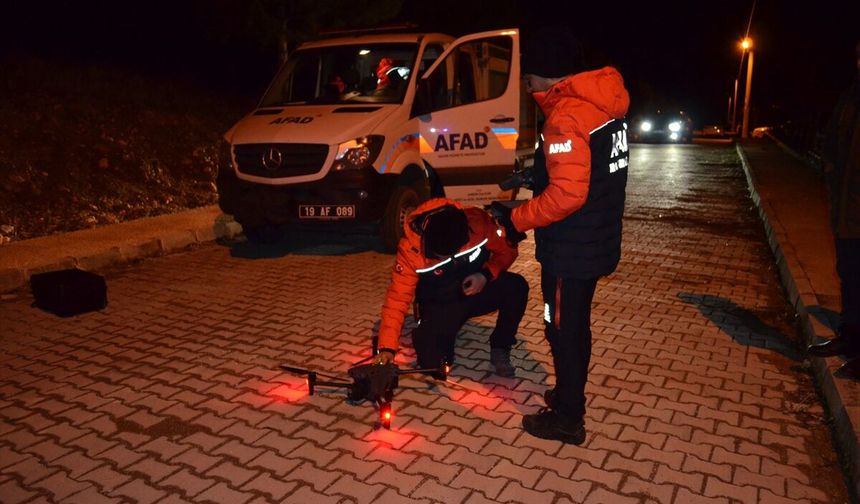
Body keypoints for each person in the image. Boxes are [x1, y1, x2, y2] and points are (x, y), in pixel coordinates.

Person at [492, 26, 630, 445]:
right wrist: (535, 173)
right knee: (573, 324)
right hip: (595, 238)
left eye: (529, 77)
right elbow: (589, 171)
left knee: (562, 328)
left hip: (571, 248)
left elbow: (568, 194)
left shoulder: (566, 115)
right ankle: (568, 393)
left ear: (546, 76)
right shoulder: (603, 107)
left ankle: (569, 418)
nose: (526, 84)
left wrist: (518, 219)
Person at [372, 198, 529, 378]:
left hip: (474, 290)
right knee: (434, 367)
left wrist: (485, 275)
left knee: (516, 286)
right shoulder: (410, 250)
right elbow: (397, 300)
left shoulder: (477, 222)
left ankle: (501, 346)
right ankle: (433, 335)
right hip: (439, 303)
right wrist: (387, 348)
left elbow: (507, 251)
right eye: (442, 256)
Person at [807, 40, 860, 378]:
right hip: (847, 206)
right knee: (850, 273)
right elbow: (833, 141)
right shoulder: (852, 94)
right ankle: (850, 338)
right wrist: (829, 170)